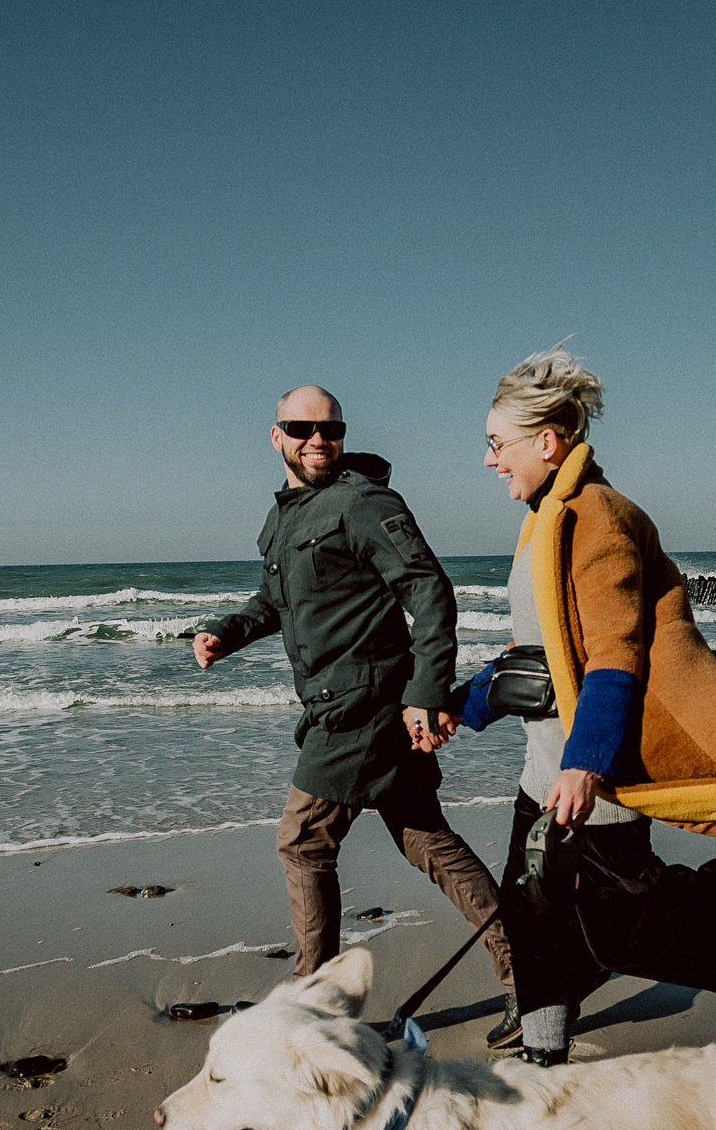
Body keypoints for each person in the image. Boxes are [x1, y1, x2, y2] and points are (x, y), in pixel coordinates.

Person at [449, 349, 716, 1063]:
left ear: (546, 443)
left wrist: (586, 765)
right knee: (534, 928)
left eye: (497, 444)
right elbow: (541, 656)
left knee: (632, 934)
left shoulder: (597, 518)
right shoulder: (543, 520)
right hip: (546, 772)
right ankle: (545, 1070)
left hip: (600, 782)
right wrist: (459, 708)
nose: (489, 459)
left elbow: (616, 657)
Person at [194, 384, 518, 994]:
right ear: (276, 435)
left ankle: (313, 1002)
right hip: (336, 704)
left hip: (364, 705)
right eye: (302, 428)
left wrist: (427, 689)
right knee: (424, 835)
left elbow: (428, 589)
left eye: (332, 430)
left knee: (303, 840)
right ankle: (527, 961)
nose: (319, 440)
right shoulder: (283, 518)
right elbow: (277, 600)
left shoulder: (364, 502)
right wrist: (224, 633)